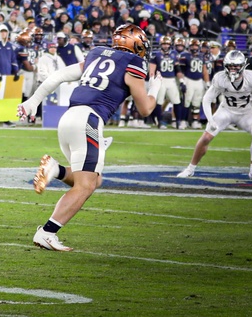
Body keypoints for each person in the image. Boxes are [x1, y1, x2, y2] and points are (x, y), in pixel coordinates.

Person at [18, 24, 157, 252]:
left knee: (94, 180)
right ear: (137, 45)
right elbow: (145, 109)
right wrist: (156, 90)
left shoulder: (96, 53)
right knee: (86, 185)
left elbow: (60, 75)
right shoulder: (133, 62)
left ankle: (56, 170)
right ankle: (47, 233)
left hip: (68, 119)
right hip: (88, 121)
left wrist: (33, 101)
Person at [177, 50, 252, 181]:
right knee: (206, 137)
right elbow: (207, 99)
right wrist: (210, 120)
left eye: (236, 66)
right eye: (230, 66)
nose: (233, 69)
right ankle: (190, 169)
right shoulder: (220, 78)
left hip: (246, 112)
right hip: (226, 111)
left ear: (243, 65)